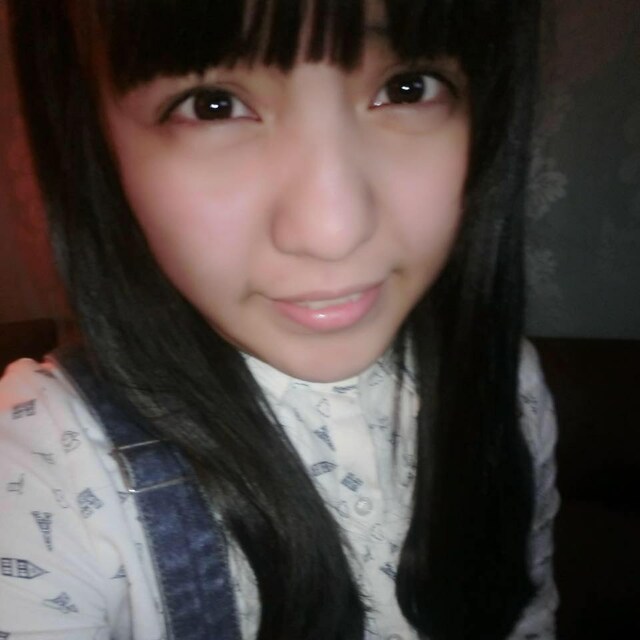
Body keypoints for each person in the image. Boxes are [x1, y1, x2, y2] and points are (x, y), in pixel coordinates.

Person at [0, 1, 558, 638]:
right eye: (212, 105)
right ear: (94, 142)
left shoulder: (508, 386)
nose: (333, 230)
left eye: (407, 88)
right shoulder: (42, 467)